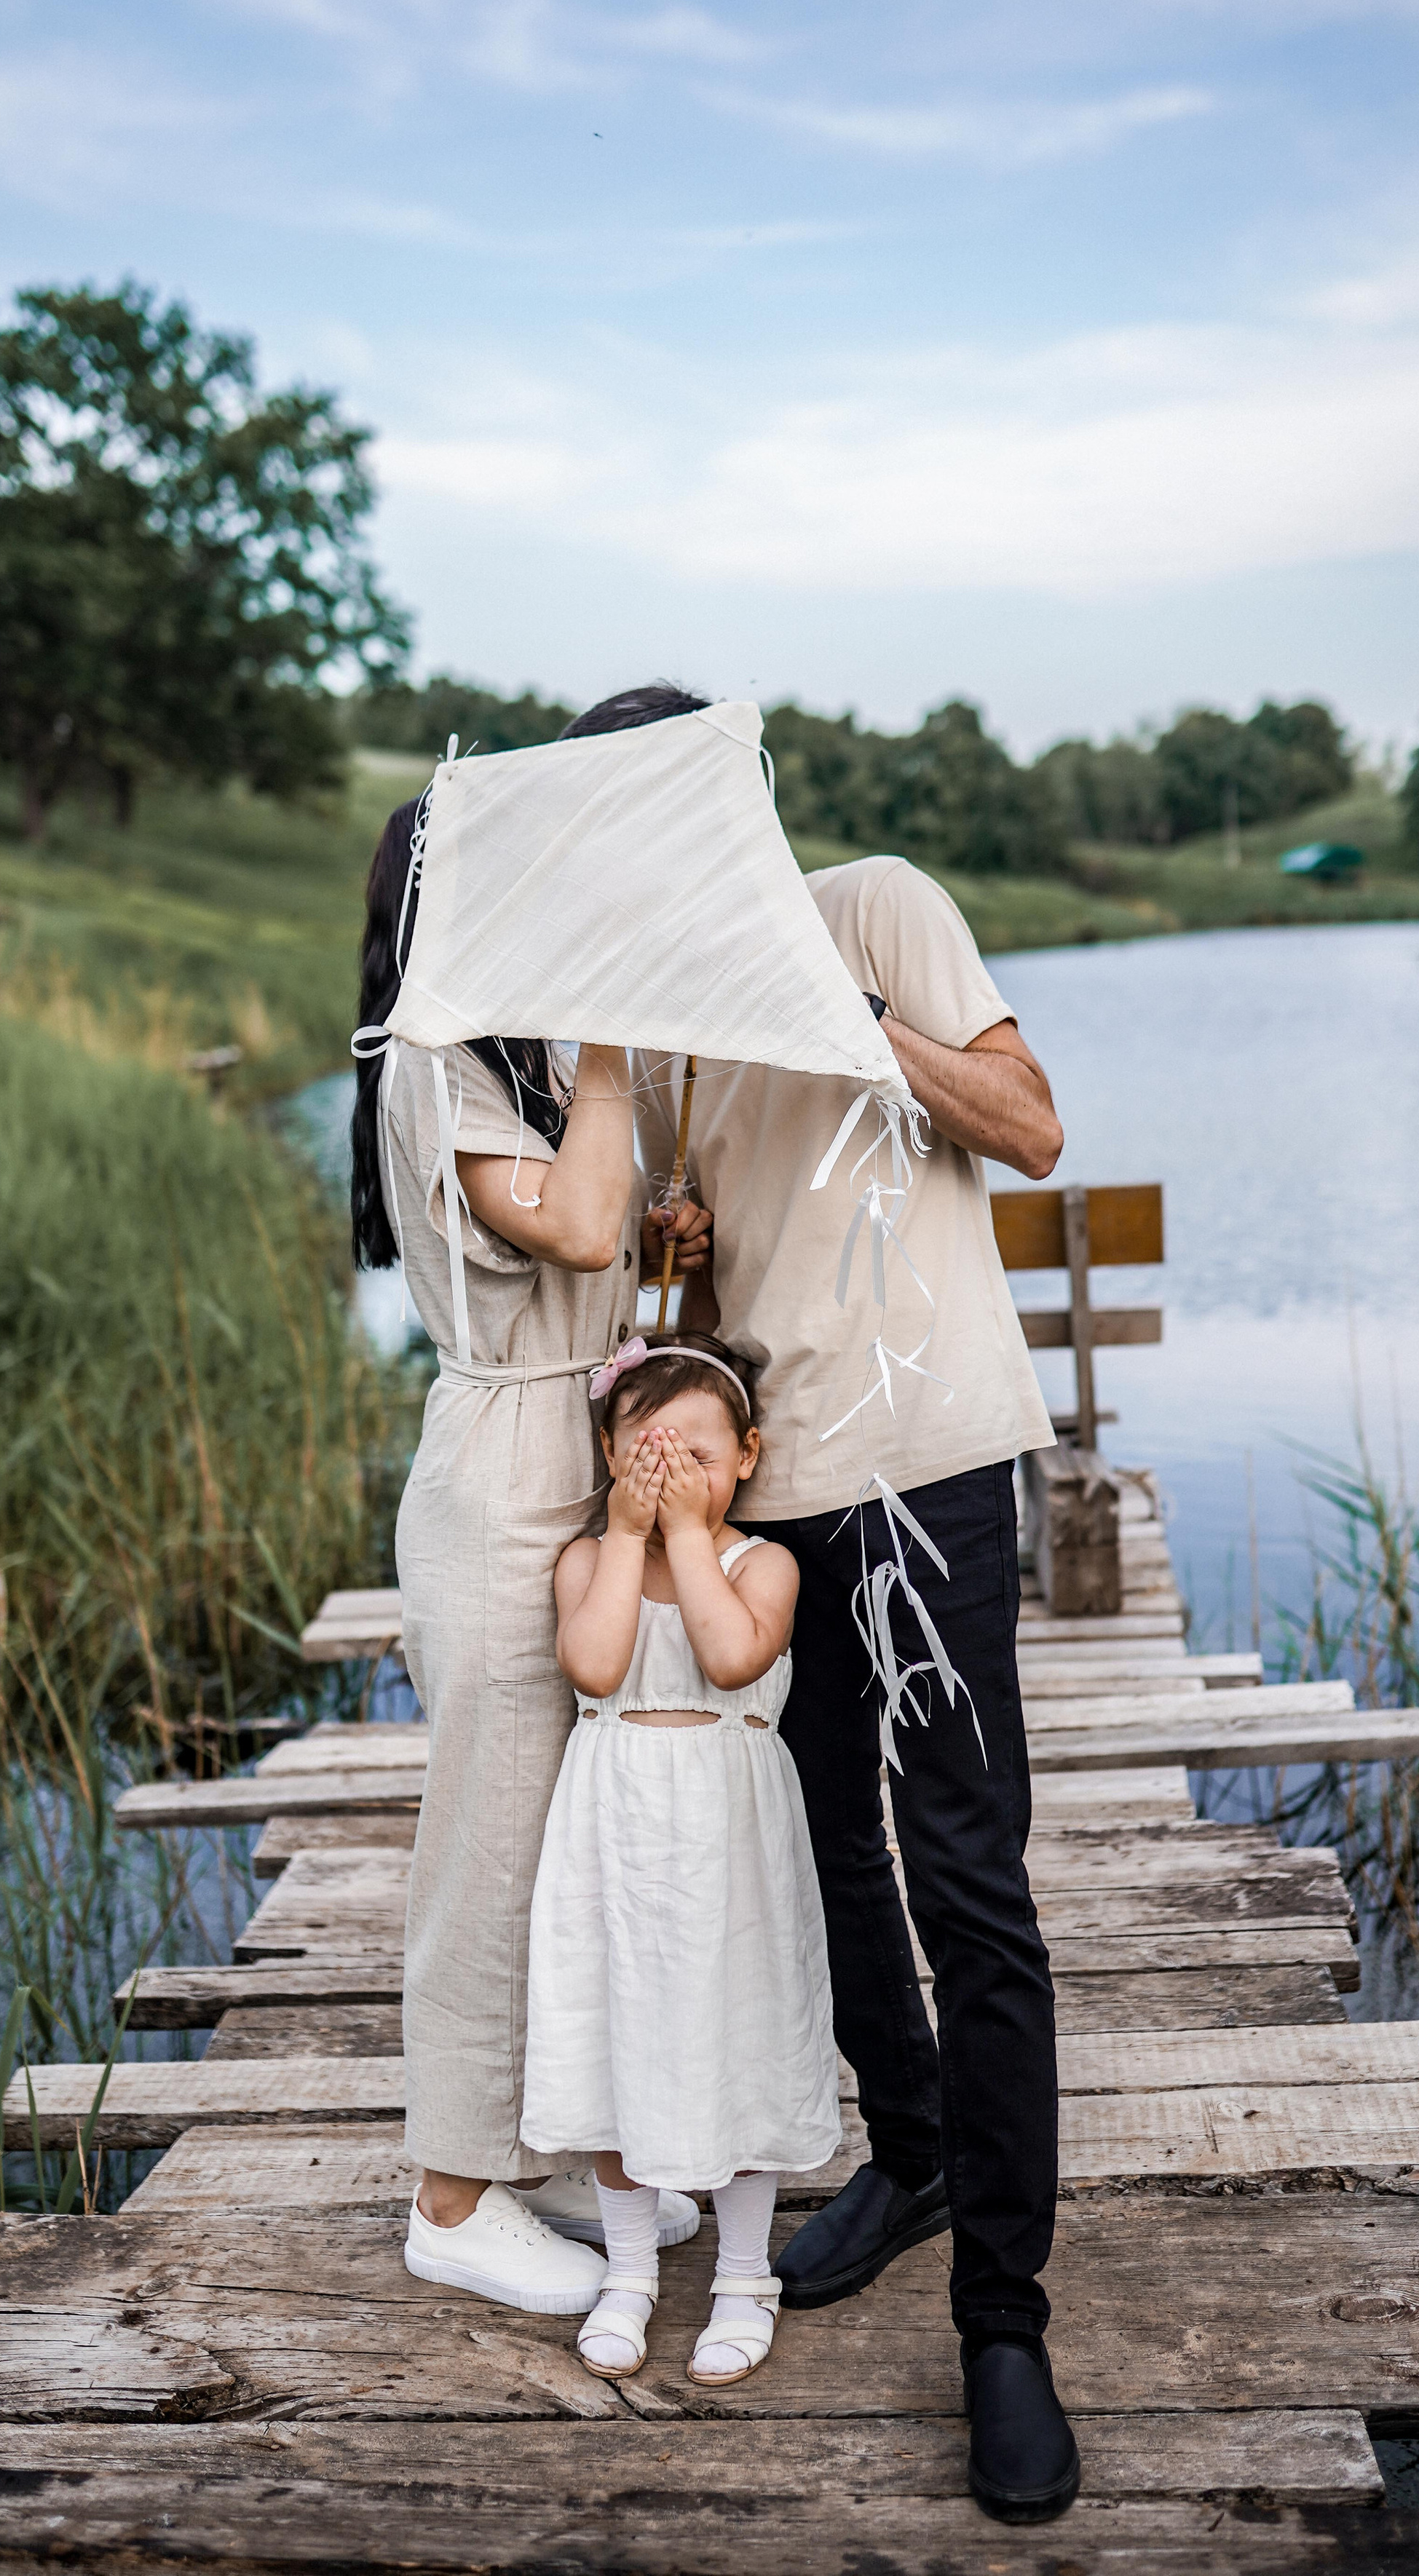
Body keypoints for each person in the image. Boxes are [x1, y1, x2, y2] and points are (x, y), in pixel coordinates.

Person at [562, 687, 1078, 2524]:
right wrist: (670, 1244)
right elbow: (689, 1251)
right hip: (778, 1499)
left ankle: (1001, 2326)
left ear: (733, 803)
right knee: (830, 1856)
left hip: (928, 1462)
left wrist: (854, 1026)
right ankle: (915, 2145)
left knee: (965, 1872)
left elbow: (1025, 1124)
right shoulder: (673, 1031)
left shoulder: (874, 907)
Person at [349, 780, 713, 2312]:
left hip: (573, 1448)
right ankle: (447, 2195)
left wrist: (656, 1239)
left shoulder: (520, 1057)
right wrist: (619, 1041)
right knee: (488, 1852)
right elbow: (563, 1231)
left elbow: (590, 1232)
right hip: (501, 1482)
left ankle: (534, 2142)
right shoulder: (434, 1057)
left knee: (569, 1842)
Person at [521, 1331, 839, 2383]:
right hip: (613, 1834)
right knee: (616, 2044)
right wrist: (625, 1537)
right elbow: (598, 1670)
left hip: (729, 1838)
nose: (671, 1479)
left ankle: (746, 2273)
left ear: (746, 1456)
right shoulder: (586, 1561)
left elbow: (732, 1653)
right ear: (612, 1463)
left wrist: (691, 1535)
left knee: (736, 2040)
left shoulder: (766, 1564)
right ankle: (628, 2272)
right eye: (646, 1457)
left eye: (696, 1457)